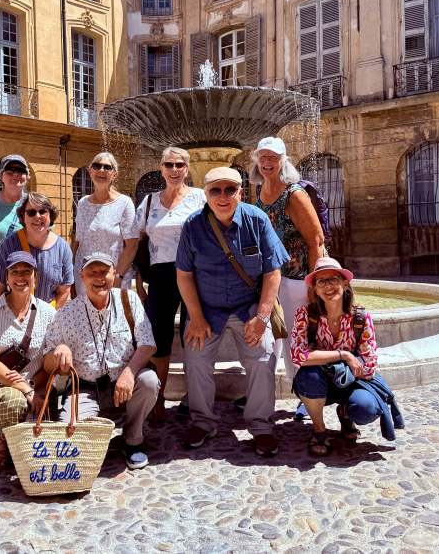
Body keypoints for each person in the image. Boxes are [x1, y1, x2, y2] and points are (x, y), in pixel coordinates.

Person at [176, 167, 289, 457]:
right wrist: (196, 317)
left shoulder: (257, 220)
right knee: (196, 355)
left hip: (247, 306)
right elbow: (184, 275)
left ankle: (261, 425)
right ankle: (203, 421)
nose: (223, 196)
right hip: (207, 308)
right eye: (216, 190)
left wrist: (262, 317)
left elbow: (272, 271)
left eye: (230, 190)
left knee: (263, 355)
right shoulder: (192, 226)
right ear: (206, 193)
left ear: (241, 192)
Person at [43, 252, 159, 470]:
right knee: (71, 440)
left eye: (104, 272)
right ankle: (93, 433)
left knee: (150, 381)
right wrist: (59, 351)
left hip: (124, 384)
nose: (98, 278)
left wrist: (129, 372)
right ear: (82, 276)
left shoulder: (129, 299)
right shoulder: (67, 313)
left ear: (114, 274)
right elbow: (48, 363)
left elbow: (148, 344)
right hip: (85, 388)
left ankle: (132, 440)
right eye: (92, 273)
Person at [124, 146, 206, 419]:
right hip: (160, 275)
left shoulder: (199, 198)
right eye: (169, 164)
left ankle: (195, 397)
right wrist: (137, 278)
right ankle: (157, 398)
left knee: (193, 333)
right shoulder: (148, 202)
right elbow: (136, 242)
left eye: (179, 165)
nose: (174, 170)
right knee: (158, 337)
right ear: (161, 168)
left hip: (194, 274)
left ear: (187, 168)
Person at [291, 257, 390, 457]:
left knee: (366, 408)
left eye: (334, 279)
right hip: (318, 382)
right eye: (322, 281)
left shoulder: (360, 318)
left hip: (350, 382)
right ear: (316, 289)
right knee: (309, 376)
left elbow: (369, 365)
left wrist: (321, 358)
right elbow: (298, 356)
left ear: (345, 284)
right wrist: (344, 356)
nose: (328, 286)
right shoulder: (305, 315)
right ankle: (319, 430)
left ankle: (346, 413)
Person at [0, 251, 57, 469]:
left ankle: (6, 432)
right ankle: (4, 440)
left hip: (34, 383)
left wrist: (34, 389)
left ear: (35, 277)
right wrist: (27, 392)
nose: (21, 277)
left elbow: (48, 361)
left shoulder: (48, 313)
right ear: (7, 278)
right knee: (14, 400)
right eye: (15, 272)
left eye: (26, 271)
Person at [251, 136, 325, 381]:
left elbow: (316, 240)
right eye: (263, 158)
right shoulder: (261, 190)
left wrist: (314, 283)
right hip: (273, 276)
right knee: (275, 335)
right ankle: (268, 388)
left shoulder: (294, 194)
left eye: (273, 158)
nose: (267, 162)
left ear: (283, 161)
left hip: (297, 278)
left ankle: (305, 392)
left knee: (298, 335)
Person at [0, 192, 73, 308]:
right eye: (31, 212)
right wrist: (8, 315)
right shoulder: (9, 245)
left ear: (50, 215)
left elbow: (64, 291)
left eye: (42, 211)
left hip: (47, 317)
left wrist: (50, 316)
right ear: (23, 217)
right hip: (14, 316)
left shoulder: (62, 248)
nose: (37, 216)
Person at [73, 152, 136, 299]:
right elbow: (78, 242)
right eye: (97, 166)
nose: (101, 170)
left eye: (107, 167)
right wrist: (73, 275)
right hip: (85, 278)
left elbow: (132, 245)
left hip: (113, 277)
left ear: (114, 174)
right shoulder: (83, 203)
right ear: (90, 171)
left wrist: (118, 276)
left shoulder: (124, 203)